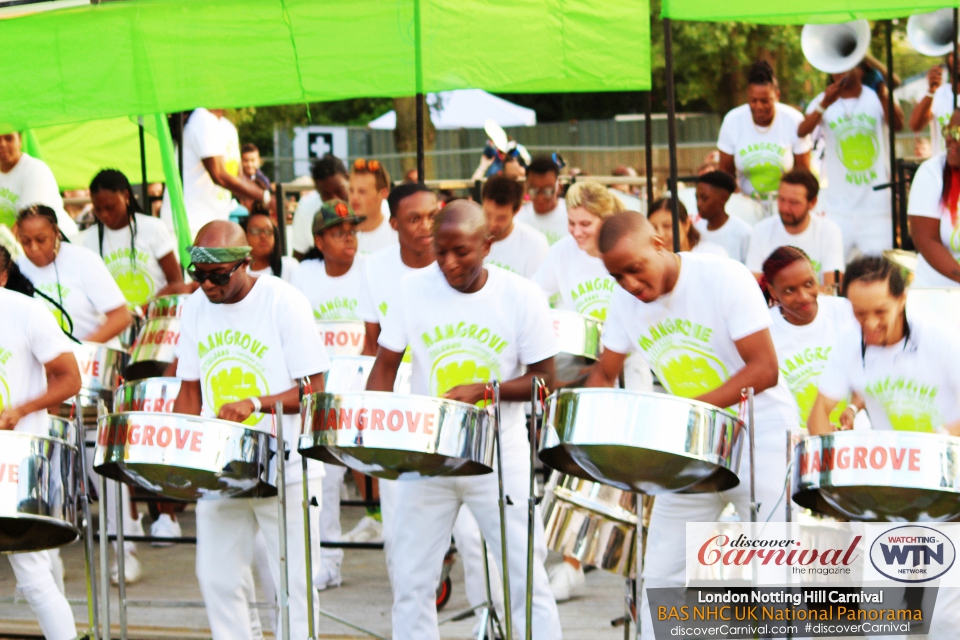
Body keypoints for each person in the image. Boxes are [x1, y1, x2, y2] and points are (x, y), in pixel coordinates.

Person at [588, 210, 797, 640]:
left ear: (660, 244)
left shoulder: (722, 277)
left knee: (776, 575)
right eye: (616, 276)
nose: (629, 284)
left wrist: (692, 410)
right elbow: (603, 372)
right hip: (692, 447)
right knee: (663, 573)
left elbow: (764, 370)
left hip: (762, 436)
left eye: (634, 269)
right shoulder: (624, 303)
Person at [367, 199, 562, 640]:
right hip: (428, 454)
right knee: (412, 578)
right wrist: (374, 432)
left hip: (498, 454)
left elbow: (545, 382)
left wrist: (487, 390)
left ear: (487, 245)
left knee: (521, 572)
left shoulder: (521, 296)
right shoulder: (410, 289)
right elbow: (384, 367)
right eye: (440, 252)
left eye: (462, 252)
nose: (449, 263)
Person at [172, 221, 327, 639]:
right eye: (198, 275)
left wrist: (256, 403)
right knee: (217, 579)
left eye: (218, 276)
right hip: (223, 466)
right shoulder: (194, 308)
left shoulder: (283, 302)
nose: (206, 285)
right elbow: (188, 391)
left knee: (293, 586)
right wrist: (175, 459)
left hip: (288, 468)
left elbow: (313, 391)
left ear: (246, 262)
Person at [807, 255, 960, 638]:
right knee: (882, 616)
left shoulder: (940, 339)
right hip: (891, 489)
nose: (870, 324)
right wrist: (832, 466)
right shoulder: (848, 344)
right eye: (859, 313)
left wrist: (942, 437)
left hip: (950, 487)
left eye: (881, 311)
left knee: (945, 619)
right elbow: (819, 413)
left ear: (903, 299)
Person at [0, 268, 82, 640]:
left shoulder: (25, 312)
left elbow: (70, 378)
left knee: (34, 577)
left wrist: (20, 410)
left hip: (17, 461)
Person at [798, 62, 904, 259]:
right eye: (835, 67)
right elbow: (801, 131)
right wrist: (824, 104)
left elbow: (898, 125)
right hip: (838, 209)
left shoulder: (875, 97)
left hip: (877, 210)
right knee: (835, 272)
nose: (838, 72)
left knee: (878, 273)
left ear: (860, 70)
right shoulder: (824, 100)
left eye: (845, 66)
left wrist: (883, 95)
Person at [761, 246, 859, 427]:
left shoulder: (844, 311)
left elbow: (871, 368)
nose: (804, 297)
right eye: (790, 290)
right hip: (797, 442)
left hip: (854, 437)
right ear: (773, 292)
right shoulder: (765, 330)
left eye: (809, 284)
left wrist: (852, 408)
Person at [16, 204, 132, 344]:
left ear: (56, 232)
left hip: (90, 358)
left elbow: (121, 317)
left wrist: (77, 351)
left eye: (41, 240)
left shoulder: (83, 260)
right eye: (25, 242)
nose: (33, 248)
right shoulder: (17, 269)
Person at [717, 61, 812, 215]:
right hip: (746, 206)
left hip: (786, 206)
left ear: (777, 96)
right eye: (753, 100)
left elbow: (804, 175)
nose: (759, 106)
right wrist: (741, 201)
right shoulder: (732, 121)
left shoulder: (793, 120)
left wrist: (790, 202)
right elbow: (725, 175)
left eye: (765, 101)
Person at [83, 169, 187, 307]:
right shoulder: (90, 239)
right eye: (98, 209)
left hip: (153, 318)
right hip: (116, 323)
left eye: (110, 207)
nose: (104, 215)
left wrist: (146, 308)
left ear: (126, 196)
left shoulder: (153, 228)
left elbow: (176, 283)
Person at [534, 181, 625, 321]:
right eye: (571, 223)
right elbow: (533, 294)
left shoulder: (625, 249)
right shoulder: (562, 251)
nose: (576, 232)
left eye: (585, 224)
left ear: (606, 220)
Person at [746, 169, 844, 289]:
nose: (785, 208)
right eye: (781, 199)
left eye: (794, 203)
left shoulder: (829, 231)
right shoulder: (761, 230)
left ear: (812, 203)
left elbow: (833, 288)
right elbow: (754, 286)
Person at [908, 109, 960, 288]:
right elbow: (925, 239)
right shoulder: (932, 172)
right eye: (947, 131)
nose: (949, 138)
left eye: (957, 132)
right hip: (938, 292)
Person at [0, 131, 78, 239]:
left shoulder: (35, 170)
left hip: (59, 243)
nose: (2, 144)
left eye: (9, 138)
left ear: (20, 141)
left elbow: (28, 220)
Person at [482, 175, 548, 278]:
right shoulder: (469, 238)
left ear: (516, 211)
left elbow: (538, 290)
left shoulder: (535, 243)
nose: (492, 223)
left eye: (501, 218)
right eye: (487, 214)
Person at [290, 154, 350, 259]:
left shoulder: (369, 205)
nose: (334, 199)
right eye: (326, 194)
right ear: (318, 191)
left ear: (348, 178)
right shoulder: (305, 209)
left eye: (339, 190)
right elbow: (298, 257)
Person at [694, 170, 752, 263]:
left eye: (704, 198)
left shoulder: (743, 233)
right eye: (697, 198)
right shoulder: (696, 230)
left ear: (723, 198)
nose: (698, 204)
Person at [648, 198, 728, 257]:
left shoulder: (712, 255)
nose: (660, 234)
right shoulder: (653, 262)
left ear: (686, 224)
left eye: (667, 226)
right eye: (654, 228)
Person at [516, 156, 569, 245]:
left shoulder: (572, 216)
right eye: (534, 191)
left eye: (548, 191)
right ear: (526, 188)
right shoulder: (518, 220)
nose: (541, 198)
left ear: (559, 187)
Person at [908, 55, 955, 156]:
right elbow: (915, 126)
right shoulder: (938, 95)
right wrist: (931, 91)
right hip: (944, 170)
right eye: (955, 53)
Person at [350, 158, 399, 254]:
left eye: (362, 192)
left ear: (383, 193)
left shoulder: (398, 235)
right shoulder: (340, 235)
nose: (354, 198)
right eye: (351, 190)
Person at [243, 212, 299, 283]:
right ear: (244, 236)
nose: (263, 236)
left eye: (268, 231)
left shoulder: (290, 266)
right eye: (256, 231)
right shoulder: (238, 272)